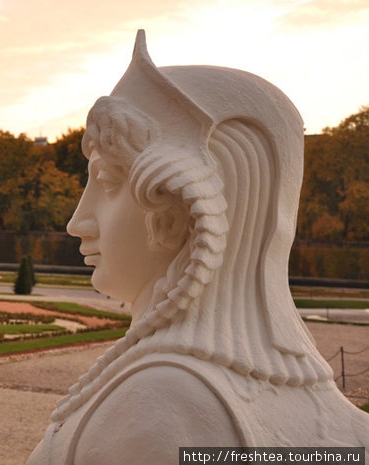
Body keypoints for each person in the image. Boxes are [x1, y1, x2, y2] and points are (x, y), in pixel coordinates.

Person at [27, 29, 368, 464]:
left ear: (187, 205)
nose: (77, 222)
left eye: (109, 180)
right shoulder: (317, 399)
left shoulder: (157, 399)